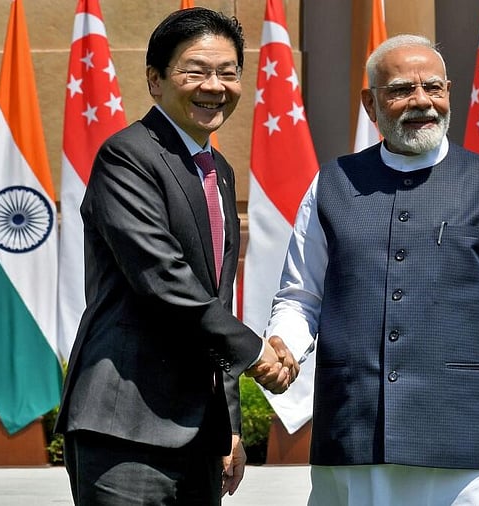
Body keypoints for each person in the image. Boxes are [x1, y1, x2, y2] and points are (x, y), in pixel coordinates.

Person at [266, 34, 479, 506]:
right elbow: (301, 298)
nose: (422, 101)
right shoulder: (332, 183)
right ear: (370, 103)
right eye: (402, 89)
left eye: (434, 88)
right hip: (350, 439)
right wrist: (286, 347)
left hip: (462, 448)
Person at [55, 8, 297, 505]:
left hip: (199, 433)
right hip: (125, 425)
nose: (215, 86)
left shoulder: (218, 171)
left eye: (228, 73)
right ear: (155, 80)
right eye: (196, 70)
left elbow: (214, 300)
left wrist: (227, 423)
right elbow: (162, 279)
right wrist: (255, 354)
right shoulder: (127, 157)